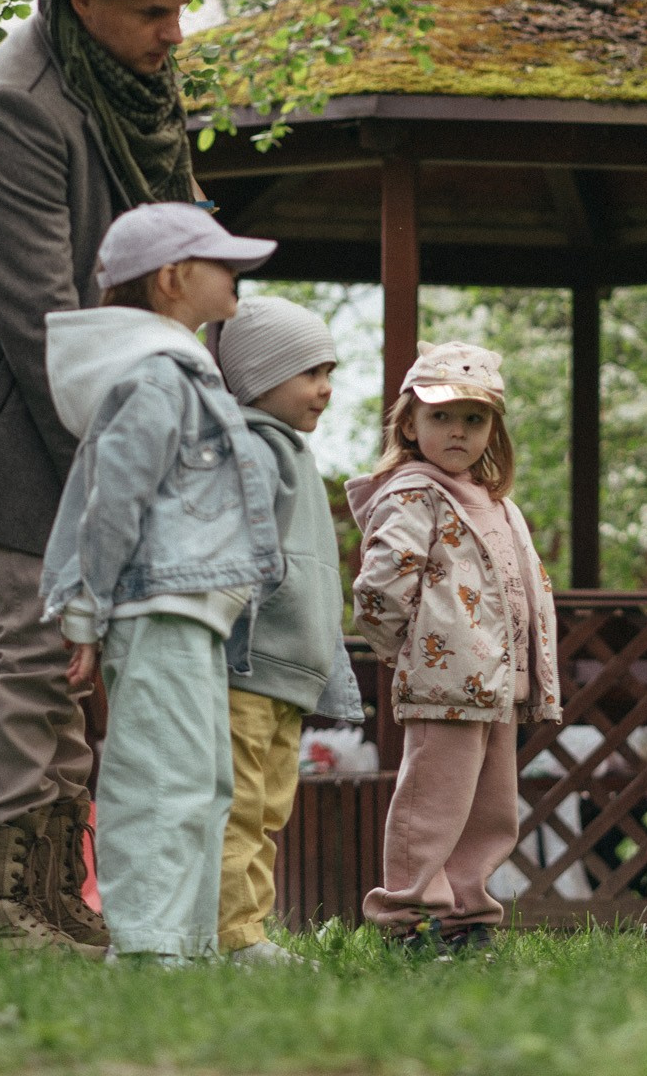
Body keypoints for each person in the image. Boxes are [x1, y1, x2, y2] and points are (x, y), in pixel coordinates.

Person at [0, 0, 230, 948]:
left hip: (112, 416)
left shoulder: (136, 86)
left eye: (181, 6)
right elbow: (45, 324)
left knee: (79, 670)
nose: (175, 31)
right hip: (19, 434)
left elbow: (183, 251)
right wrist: (119, 481)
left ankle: (55, 899)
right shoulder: (13, 106)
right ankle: (0, 906)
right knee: (36, 658)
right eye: (154, 11)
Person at [39, 204, 282, 963]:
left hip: (193, 611)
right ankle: (147, 950)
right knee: (160, 782)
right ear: (173, 280)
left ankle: (184, 945)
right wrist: (86, 610)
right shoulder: (153, 376)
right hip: (159, 606)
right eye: (221, 262)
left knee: (203, 783)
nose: (236, 273)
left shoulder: (182, 369)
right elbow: (112, 500)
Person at [347, 342, 559, 957]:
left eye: (474, 419)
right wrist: (409, 652)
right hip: (446, 682)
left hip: (495, 686)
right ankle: (409, 918)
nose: (458, 431)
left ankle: (468, 916)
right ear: (408, 424)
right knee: (432, 806)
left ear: (494, 429)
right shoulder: (415, 495)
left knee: (491, 812)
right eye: (440, 416)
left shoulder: (492, 500)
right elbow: (381, 586)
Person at [208, 296, 364, 963]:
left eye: (329, 370)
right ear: (258, 376)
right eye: (309, 371)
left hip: (286, 677)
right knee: (239, 805)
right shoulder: (249, 450)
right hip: (248, 665)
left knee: (267, 810)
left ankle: (248, 930)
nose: (325, 388)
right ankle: (226, 935)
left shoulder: (292, 452)